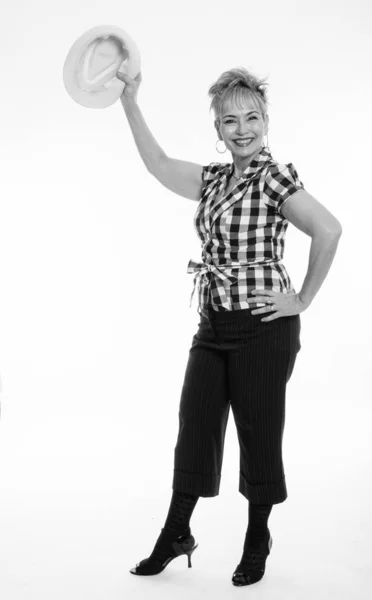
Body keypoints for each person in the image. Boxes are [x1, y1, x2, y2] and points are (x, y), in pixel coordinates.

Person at [116, 67, 342, 587]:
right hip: (214, 323)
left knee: (258, 434)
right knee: (194, 427)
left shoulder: (274, 177)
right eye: (230, 120)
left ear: (266, 121)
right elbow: (157, 164)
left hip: (264, 328)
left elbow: (328, 230)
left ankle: (257, 536)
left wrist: (301, 300)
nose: (243, 129)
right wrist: (130, 100)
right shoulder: (214, 180)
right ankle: (176, 533)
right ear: (217, 128)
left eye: (252, 117)